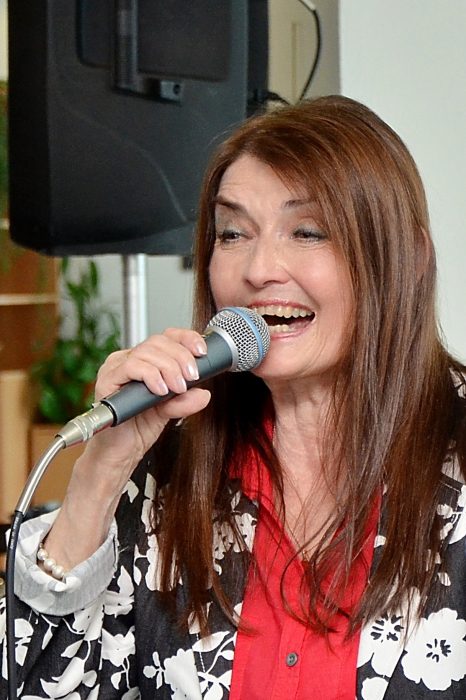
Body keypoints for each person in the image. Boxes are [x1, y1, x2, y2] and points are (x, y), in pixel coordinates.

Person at [1, 95, 466, 700]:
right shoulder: (167, 468)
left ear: (410, 258)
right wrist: (101, 473)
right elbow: (37, 687)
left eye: (308, 231)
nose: (259, 268)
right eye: (232, 233)